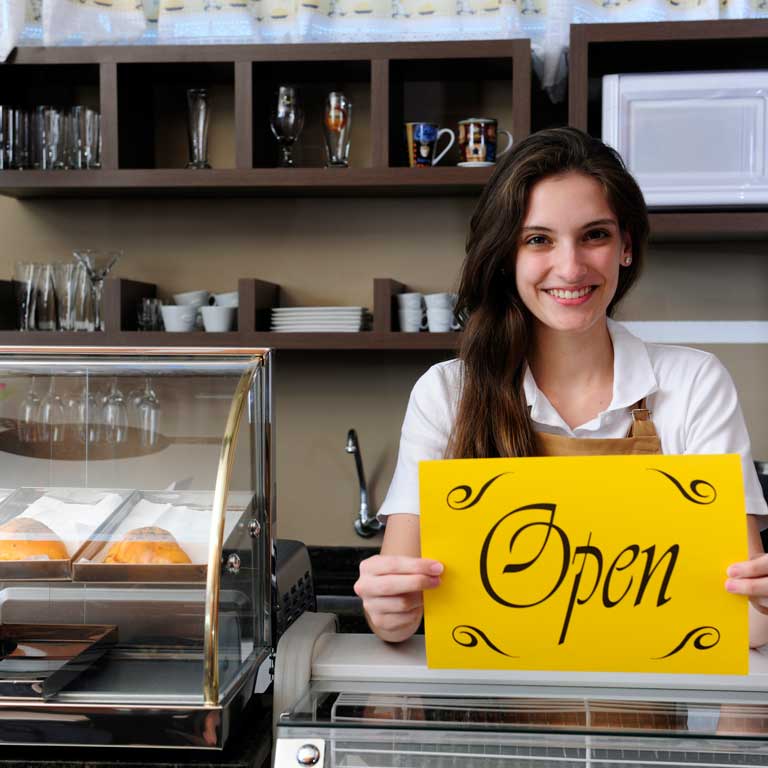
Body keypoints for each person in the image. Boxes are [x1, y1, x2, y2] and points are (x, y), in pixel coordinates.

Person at [354, 126, 768, 646]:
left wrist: (761, 604)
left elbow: (747, 624)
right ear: (507, 256)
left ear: (625, 247)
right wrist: (389, 610)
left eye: (594, 234)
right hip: (484, 718)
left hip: (647, 720)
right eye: (538, 239)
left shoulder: (695, 385)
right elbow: (400, 611)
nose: (570, 267)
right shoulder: (446, 394)